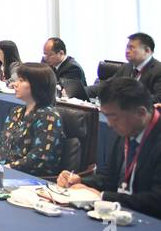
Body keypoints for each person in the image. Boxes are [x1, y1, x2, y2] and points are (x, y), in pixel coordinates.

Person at [59, 78, 161, 217]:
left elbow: (157, 200)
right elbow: (109, 177)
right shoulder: (126, 129)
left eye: (113, 117)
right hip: (119, 215)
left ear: (141, 113)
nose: (109, 124)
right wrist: (81, 181)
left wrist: (104, 196)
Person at [0, 62, 65, 181]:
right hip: (4, 173)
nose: (15, 84)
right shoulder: (16, 112)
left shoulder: (49, 116)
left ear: (37, 85)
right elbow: (1, 144)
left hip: (29, 179)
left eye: (22, 80)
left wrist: (7, 168)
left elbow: (39, 158)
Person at [88, 32, 161, 101]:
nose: (127, 51)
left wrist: (127, 100)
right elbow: (106, 86)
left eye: (131, 48)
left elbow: (158, 98)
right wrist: (83, 91)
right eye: (127, 47)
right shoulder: (126, 67)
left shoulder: (158, 70)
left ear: (147, 50)